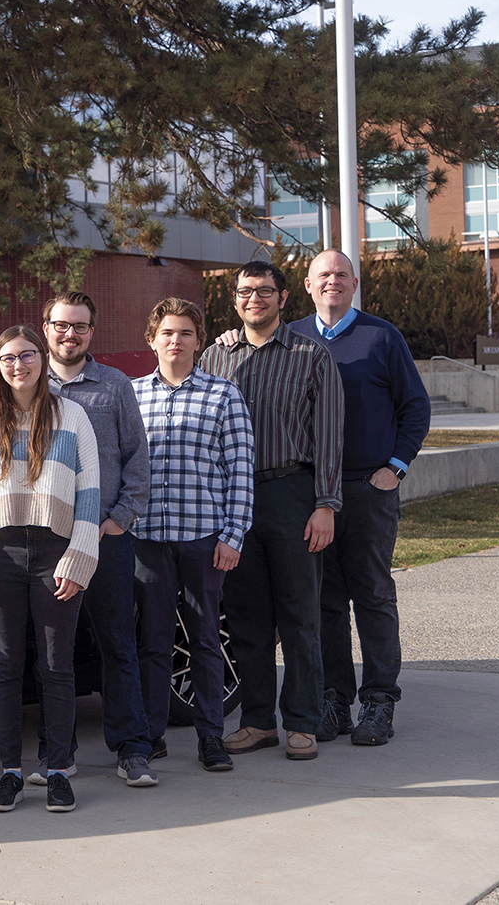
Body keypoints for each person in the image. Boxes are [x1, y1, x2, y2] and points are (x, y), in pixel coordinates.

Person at [198, 260, 343, 761]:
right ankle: (258, 721)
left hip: (291, 494)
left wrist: (325, 505)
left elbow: (328, 439)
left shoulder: (311, 356)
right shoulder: (215, 358)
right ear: (234, 299)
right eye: (244, 291)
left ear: (284, 297)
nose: (252, 299)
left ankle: (302, 721)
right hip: (232, 503)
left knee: (300, 613)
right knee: (245, 616)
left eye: (263, 291)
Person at [289, 249, 431, 746]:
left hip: (368, 489)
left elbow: (415, 407)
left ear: (354, 284)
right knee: (325, 598)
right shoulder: (292, 338)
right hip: (313, 493)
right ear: (307, 285)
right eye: (323, 275)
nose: (333, 281)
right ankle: (334, 700)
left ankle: (378, 701)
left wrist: (395, 467)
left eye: (341, 275)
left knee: (372, 594)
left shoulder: (381, 336)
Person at [0, 324, 99, 814]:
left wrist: (79, 559)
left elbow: (90, 494)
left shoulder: (73, 416)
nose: (17, 365)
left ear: (41, 360)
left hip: (56, 554)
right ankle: (11, 774)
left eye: (25, 356)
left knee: (57, 667)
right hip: (0, 557)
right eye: (7, 358)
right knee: (3, 668)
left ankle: (59, 770)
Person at [38, 291, 158, 788]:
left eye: (81, 327)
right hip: (44, 540)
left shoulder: (113, 387)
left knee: (117, 644)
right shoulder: (23, 382)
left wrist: (122, 518)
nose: (71, 334)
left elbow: (137, 457)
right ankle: (56, 754)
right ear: (45, 327)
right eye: (62, 325)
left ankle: (132, 749)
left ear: (92, 331)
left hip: (105, 537)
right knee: (52, 653)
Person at [131, 298, 254, 772]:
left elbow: (239, 471)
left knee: (205, 639)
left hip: (203, 538)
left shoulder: (224, 395)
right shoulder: (133, 394)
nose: (175, 341)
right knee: (153, 640)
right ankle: (151, 734)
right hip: (148, 539)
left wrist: (233, 535)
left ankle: (210, 737)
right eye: (167, 332)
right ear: (152, 339)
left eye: (185, 333)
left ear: (199, 342)